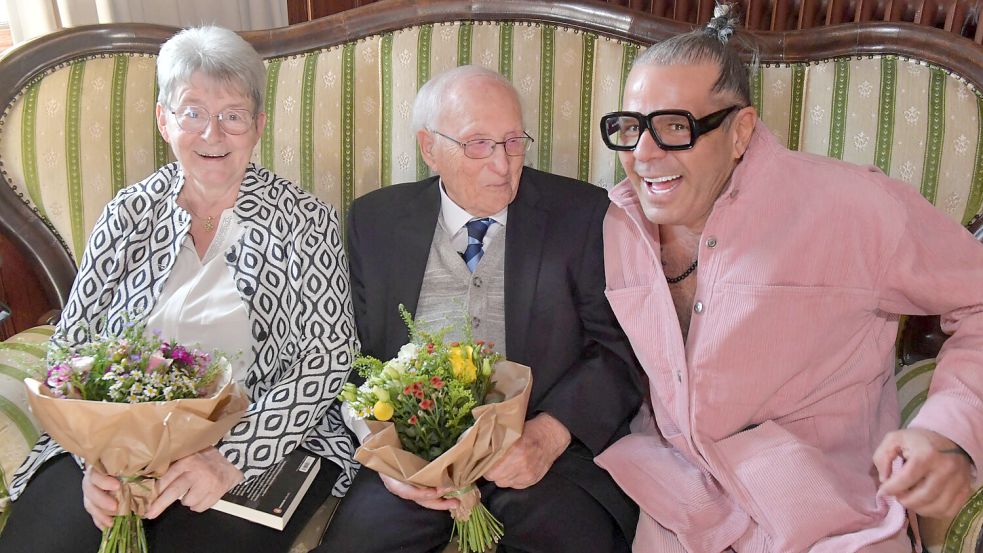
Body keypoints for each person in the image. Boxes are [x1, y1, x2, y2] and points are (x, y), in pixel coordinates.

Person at [594, 4, 983, 552]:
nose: (643, 153)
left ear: (741, 131)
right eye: (630, 127)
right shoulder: (619, 221)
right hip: (679, 502)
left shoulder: (852, 208)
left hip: (829, 516)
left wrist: (948, 432)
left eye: (675, 127)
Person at [0, 25, 358, 553]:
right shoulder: (127, 214)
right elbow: (70, 348)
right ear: (164, 120)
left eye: (233, 115)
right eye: (192, 112)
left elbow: (328, 357)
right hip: (116, 439)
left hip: (257, 439)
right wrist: (95, 458)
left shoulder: (305, 220)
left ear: (257, 126)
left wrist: (230, 455)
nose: (213, 134)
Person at [314, 64, 643, 553]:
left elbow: (619, 350)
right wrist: (384, 453)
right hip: (416, 455)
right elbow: (355, 357)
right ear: (430, 148)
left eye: (513, 141)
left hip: (540, 458)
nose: (503, 164)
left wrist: (547, 437)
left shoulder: (583, 214)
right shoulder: (375, 220)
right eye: (478, 144)